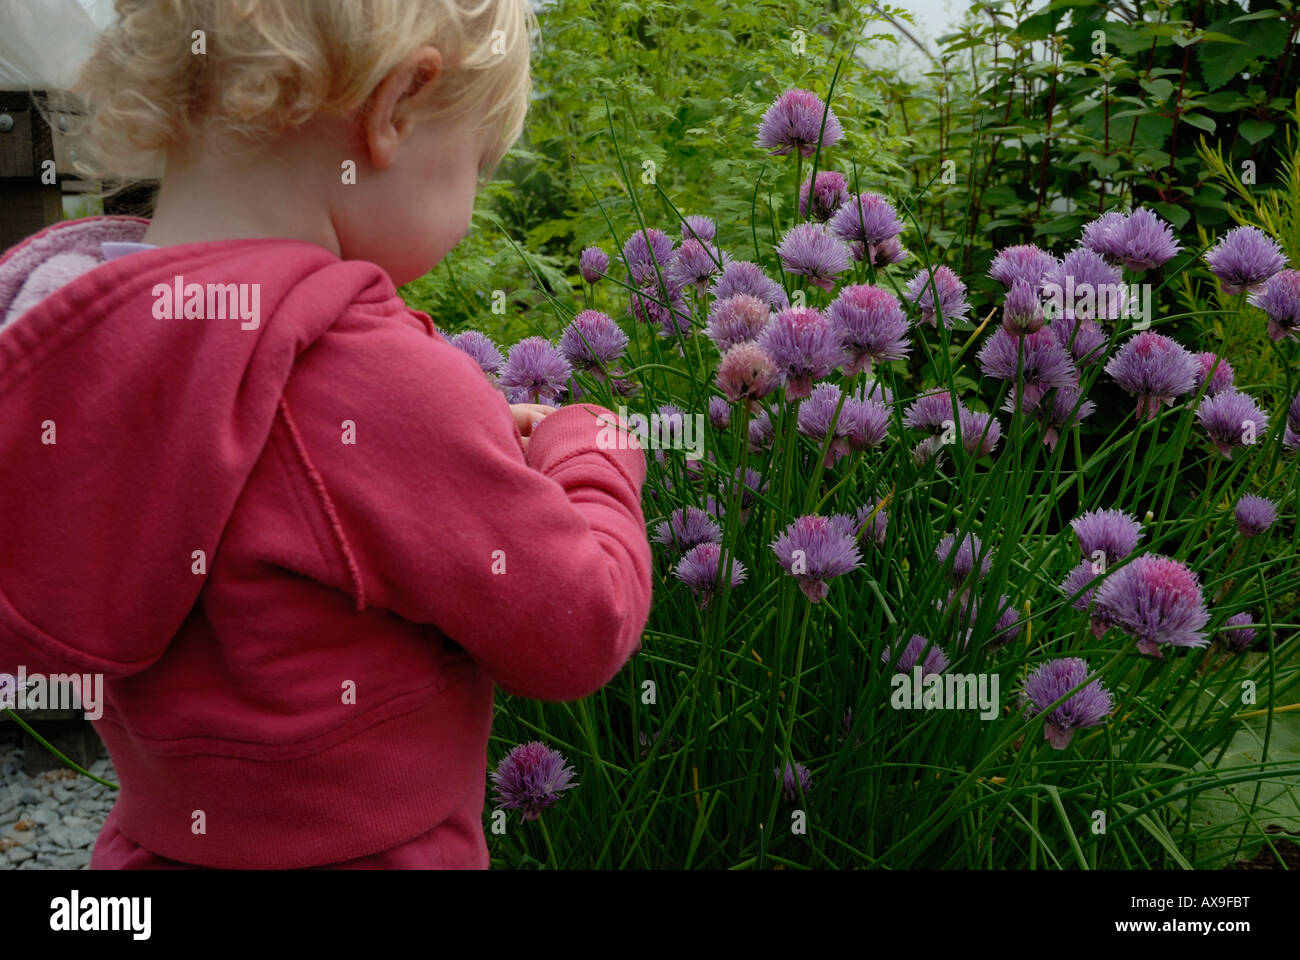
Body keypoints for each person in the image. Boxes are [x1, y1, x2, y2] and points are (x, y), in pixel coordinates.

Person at [0, 0, 653, 869]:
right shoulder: (366, 379)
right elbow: (579, 625)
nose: (466, 208)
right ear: (397, 108)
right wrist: (590, 450)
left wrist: (456, 444)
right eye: (476, 167)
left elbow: (276, 483)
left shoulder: (76, 335)